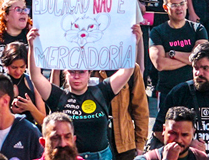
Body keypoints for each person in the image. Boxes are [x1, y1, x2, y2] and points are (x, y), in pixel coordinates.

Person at [28, 24, 139, 160]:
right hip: (69, 157)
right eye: (72, 71)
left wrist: (133, 43)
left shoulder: (102, 91)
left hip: (102, 156)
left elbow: (127, 70)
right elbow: (36, 76)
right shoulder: (58, 96)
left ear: (89, 73)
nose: (76, 76)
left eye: (81, 72)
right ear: (65, 73)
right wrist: (33, 47)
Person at [150, 0, 209, 100]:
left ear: (187, 4)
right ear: (165, 7)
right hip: (168, 92)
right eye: (174, 5)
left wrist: (173, 54)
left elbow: (201, 60)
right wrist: (190, 59)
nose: (179, 8)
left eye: (182, 3)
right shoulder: (157, 32)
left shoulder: (198, 29)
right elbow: (160, 64)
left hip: (195, 91)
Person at [137, 106, 206, 160]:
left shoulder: (202, 158)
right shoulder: (147, 158)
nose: (178, 140)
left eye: (184, 135)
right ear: (164, 130)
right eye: (173, 133)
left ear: (193, 133)